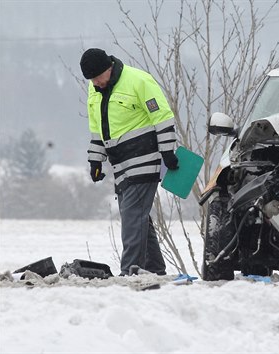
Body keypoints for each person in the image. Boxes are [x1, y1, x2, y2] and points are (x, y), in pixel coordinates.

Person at [80, 48, 179, 276]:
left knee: (132, 215)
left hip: (146, 159)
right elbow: (97, 130)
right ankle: (154, 268)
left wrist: (167, 152)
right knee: (136, 216)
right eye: (91, 79)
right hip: (120, 164)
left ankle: (130, 273)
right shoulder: (95, 90)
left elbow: (162, 117)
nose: (96, 83)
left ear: (109, 68)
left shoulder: (138, 80)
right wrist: (96, 160)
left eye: (98, 77)